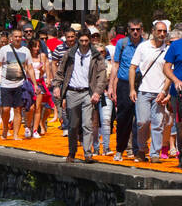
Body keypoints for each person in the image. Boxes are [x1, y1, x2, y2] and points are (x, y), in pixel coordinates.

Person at [58, 28, 107, 163]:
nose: (84, 43)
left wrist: (97, 92)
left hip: (87, 93)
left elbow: (102, 75)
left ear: (90, 40)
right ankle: (72, 152)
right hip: (72, 92)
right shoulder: (70, 54)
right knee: (73, 125)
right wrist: (57, 86)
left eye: (86, 40)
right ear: (77, 41)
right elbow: (61, 71)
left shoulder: (96, 56)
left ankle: (87, 153)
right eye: (82, 41)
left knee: (87, 124)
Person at [128, 21, 170, 163]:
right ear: (153, 31)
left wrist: (164, 91)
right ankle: (141, 148)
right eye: (159, 31)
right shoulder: (143, 47)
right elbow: (133, 67)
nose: (162, 34)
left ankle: (155, 154)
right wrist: (132, 89)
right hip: (144, 91)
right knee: (142, 121)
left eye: (164, 31)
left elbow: (170, 73)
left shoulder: (168, 50)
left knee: (158, 124)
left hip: (159, 92)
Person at [110, 20, 144, 160]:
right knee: (123, 118)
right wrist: (111, 86)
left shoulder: (146, 45)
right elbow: (115, 66)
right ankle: (120, 149)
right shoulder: (122, 44)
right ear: (128, 31)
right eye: (132, 29)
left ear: (142, 30)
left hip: (141, 84)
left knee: (141, 119)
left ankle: (137, 150)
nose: (135, 32)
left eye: (137, 29)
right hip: (124, 84)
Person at [0, 28, 33, 140]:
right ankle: (5, 128)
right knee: (5, 109)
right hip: (6, 84)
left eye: (20, 36)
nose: (18, 38)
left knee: (18, 109)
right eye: (16, 36)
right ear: (11, 38)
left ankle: (15, 134)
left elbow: (29, 67)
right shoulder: (4, 50)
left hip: (20, 85)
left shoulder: (26, 51)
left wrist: (34, 83)